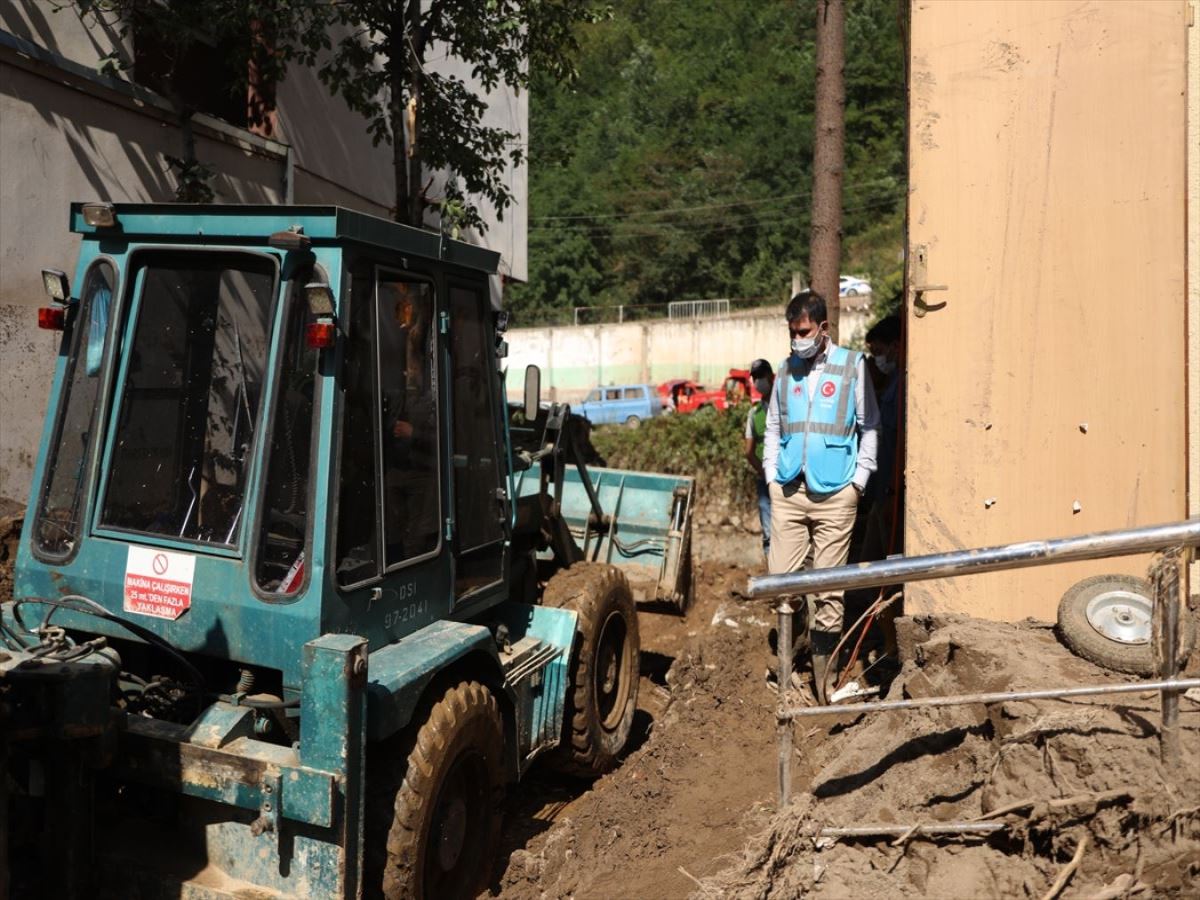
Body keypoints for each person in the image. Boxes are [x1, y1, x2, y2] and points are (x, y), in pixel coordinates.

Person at [763, 290, 879, 704]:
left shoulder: (852, 367)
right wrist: (771, 478)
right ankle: (784, 674)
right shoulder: (784, 371)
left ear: (823, 328)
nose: (797, 340)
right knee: (781, 586)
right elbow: (774, 426)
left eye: (804, 332)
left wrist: (858, 484)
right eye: (793, 333)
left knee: (828, 591)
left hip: (836, 495)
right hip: (790, 490)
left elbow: (870, 427)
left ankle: (823, 683)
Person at [743, 359, 775, 559]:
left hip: (790, 477)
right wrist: (764, 472)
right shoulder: (754, 414)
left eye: (760, 377)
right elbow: (749, 451)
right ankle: (771, 569)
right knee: (768, 528)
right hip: (765, 479)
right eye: (755, 378)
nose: (758, 381)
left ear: (771, 377)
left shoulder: (788, 406)